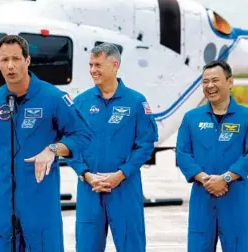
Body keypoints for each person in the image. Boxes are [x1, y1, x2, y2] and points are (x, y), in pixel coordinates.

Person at [0, 35, 92, 251]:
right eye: (4, 60)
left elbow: (82, 135)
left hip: (40, 202)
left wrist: (53, 149)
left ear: (27, 61)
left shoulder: (53, 98)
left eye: (16, 59)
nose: (10, 66)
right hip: (4, 202)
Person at [69, 43, 159, 252]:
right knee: (86, 247)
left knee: (131, 246)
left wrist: (121, 174)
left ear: (115, 64)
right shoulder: (81, 103)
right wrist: (85, 174)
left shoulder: (136, 102)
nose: (93, 70)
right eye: (91, 65)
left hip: (125, 188)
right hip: (90, 189)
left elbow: (145, 145)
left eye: (98, 64)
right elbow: (71, 144)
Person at [176, 60, 248, 252]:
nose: (209, 86)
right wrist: (206, 179)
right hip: (202, 195)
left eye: (215, 80)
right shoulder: (191, 118)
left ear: (230, 82)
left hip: (234, 196)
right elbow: (182, 154)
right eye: (205, 81)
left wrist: (225, 178)